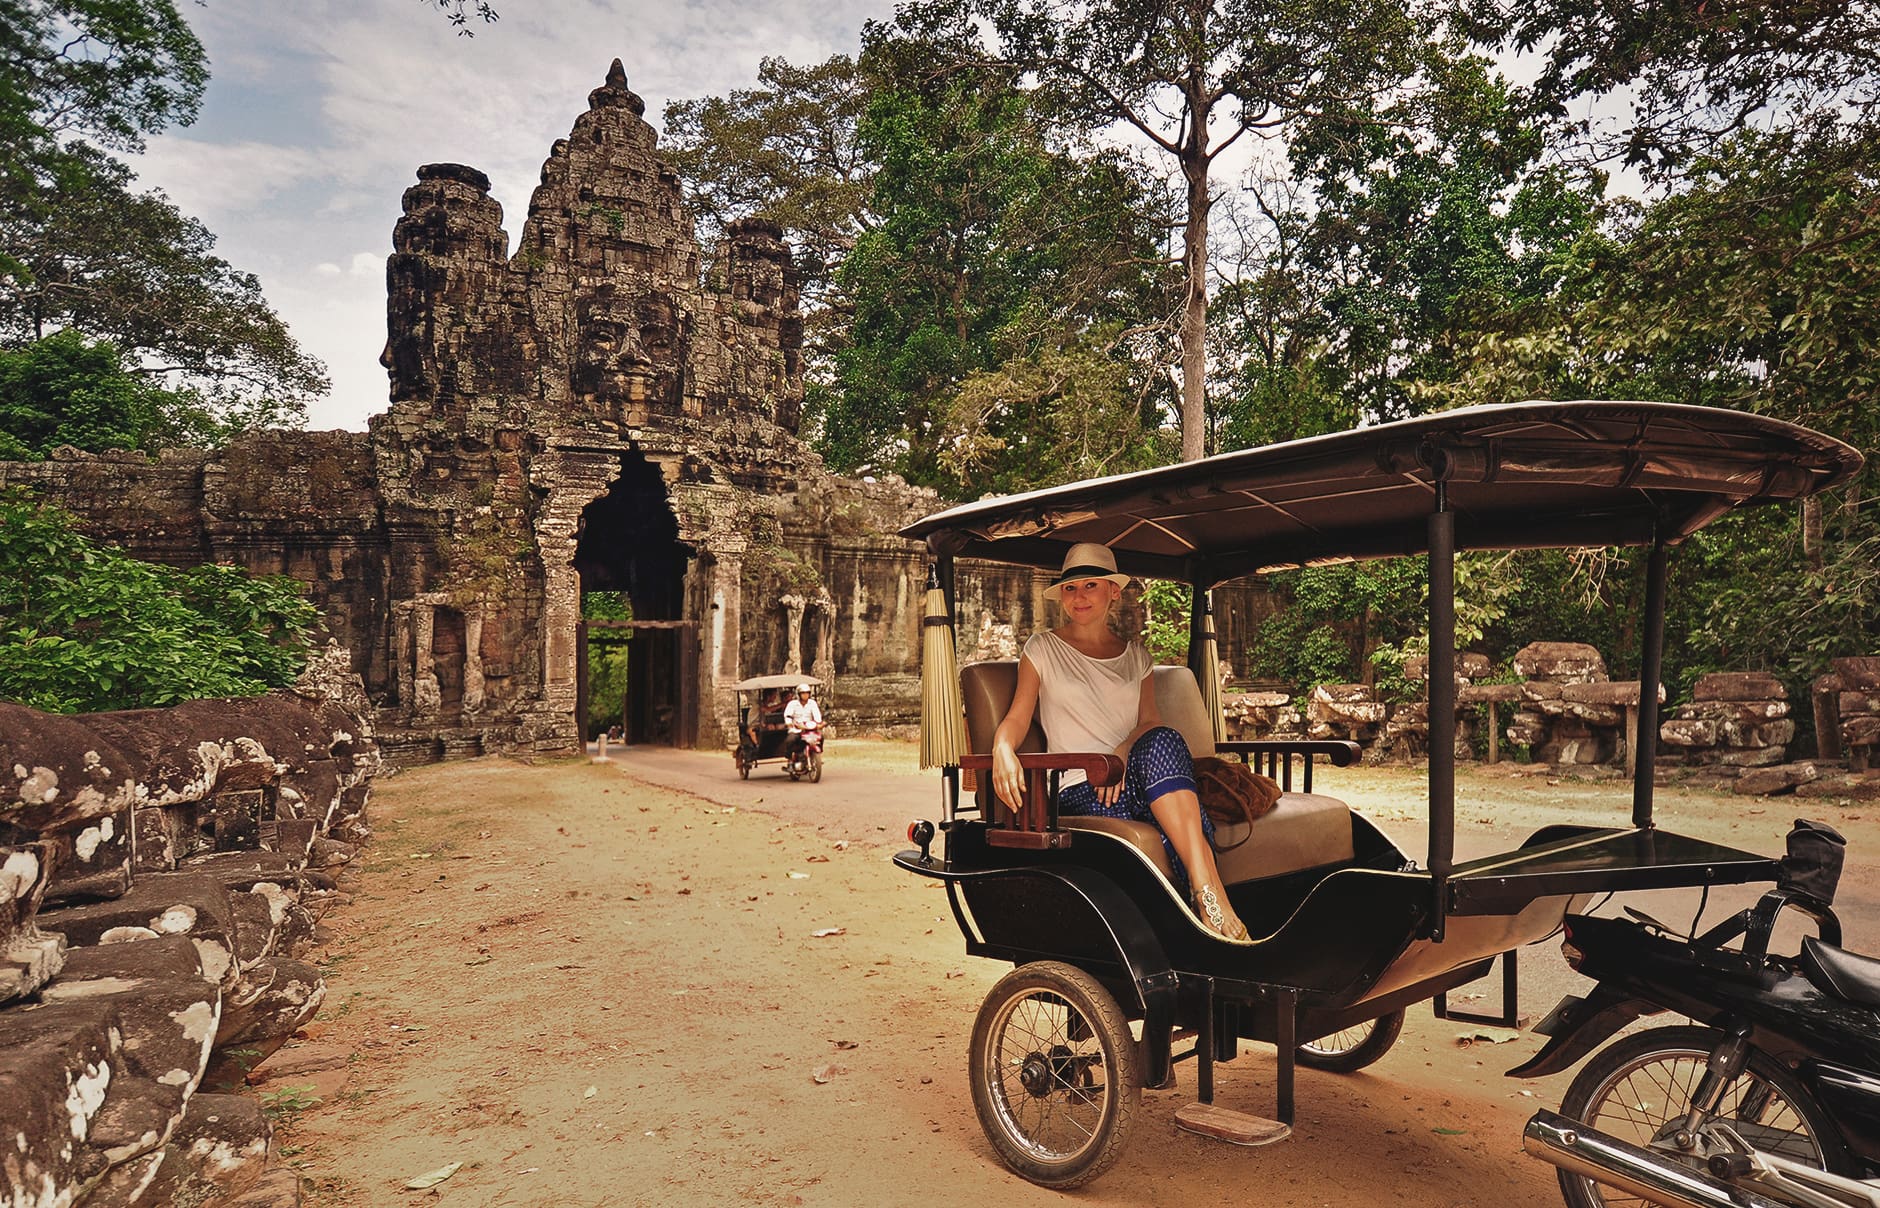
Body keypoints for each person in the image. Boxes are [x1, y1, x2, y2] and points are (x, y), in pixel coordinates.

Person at [991, 543, 1250, 941]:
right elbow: (1017, 718)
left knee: (1163, 741)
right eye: (1071, 588)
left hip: (1133, 777)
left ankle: (1198, 916)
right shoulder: (1043, 648)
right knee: (1179, 815)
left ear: (1114, 591)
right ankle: (1212, 902)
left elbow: (1149, 722)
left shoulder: (1136, 656)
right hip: (1080, 787)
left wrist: (1121, 755)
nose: (1079, 597)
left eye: (1090, 585)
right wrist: (1002, 749)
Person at [783, 682, 824, 769]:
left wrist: (819, 723)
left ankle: (817, 756)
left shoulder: (812, 703)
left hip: (809, 729)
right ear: (799, 694)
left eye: (807, 693)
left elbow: (817, 716)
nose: (805, 695)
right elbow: (788, 716)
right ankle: (790, 760)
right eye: (803, 693)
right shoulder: (792, 704)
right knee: (790, 740)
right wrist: (789, 723)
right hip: (796, 729)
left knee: (821, 737)